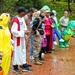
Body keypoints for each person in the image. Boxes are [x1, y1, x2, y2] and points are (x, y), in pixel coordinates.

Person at [11, 7, 32, 74]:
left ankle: (23, 65)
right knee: (17, 52)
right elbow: (13, 31)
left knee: (23, 52)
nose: (25, 13)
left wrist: (26, 31)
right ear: (21, 12)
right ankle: (15, 66)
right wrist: (22, 32)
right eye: (24, 12)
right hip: (17, 39)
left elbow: (24, 27)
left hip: (22, 38)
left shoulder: (22, 18)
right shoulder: (16, 20)